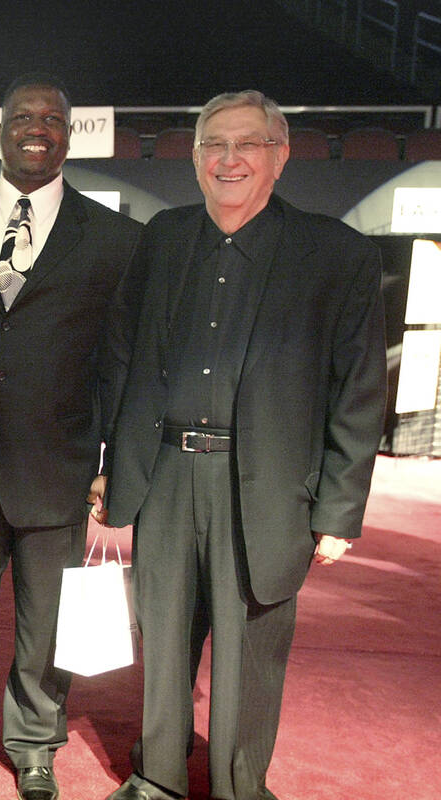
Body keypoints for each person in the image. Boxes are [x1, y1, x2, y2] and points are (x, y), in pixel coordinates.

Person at [96, 90, 386, 800]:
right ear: (194, 159)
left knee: (252, 649)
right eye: (212, 145)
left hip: (266, 485)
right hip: (163, 472)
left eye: (246, 143)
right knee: (161, 639)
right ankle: (156, 777)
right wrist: (104, 468)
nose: (228, 159)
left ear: (279, 156)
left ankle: (238, 785)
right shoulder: (162, 237)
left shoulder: (336, 254)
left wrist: (339, 511)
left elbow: (358, 387)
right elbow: (122, 357)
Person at [0, 73, 142, 800]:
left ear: (69, 134)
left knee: (47, 625)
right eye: (22, 116)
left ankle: (37, 746)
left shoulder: (114, 238)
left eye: (51, 117)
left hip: (60, 465)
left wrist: (110, 461)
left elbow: (119, 362)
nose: (36, 127)